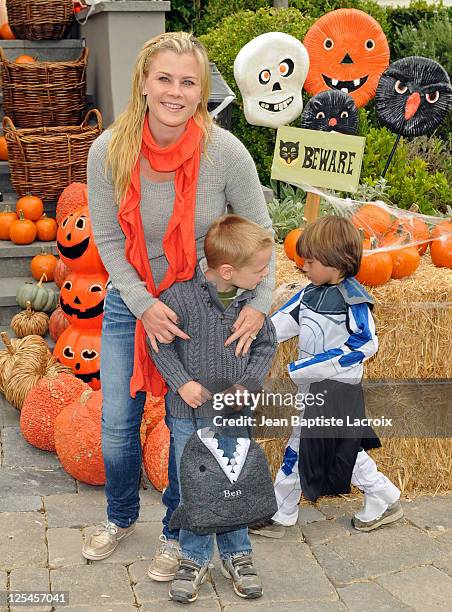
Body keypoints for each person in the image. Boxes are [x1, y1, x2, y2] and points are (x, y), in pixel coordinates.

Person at [81, 31, 276, 576]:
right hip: (133, 301)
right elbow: (108, 239)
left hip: (199, 309)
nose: (175, 91)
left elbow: (261, 233)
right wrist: (143, 303)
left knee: (185, 421)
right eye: (164, 78)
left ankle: (176, 532)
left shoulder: (224, 152)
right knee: (119, 419)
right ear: (144, 82)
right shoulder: (108, 151)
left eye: (188, 81)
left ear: (201, 91)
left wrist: (259, 304)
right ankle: (119, 517)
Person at [150, 214, 277, 603]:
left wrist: (247, 384)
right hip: (188, 416)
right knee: (196, 485)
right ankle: (194, 557)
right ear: (227, 270)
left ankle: (238, 554)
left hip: (232, 415)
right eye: (259, 270)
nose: (265, 277)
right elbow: (161, 344)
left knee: (234, 482)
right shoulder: (179, 299)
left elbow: (265, 346)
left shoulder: (249, 307)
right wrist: (182, 383)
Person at [250, 216, 403, 537]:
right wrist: (249, 336)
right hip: (314, 391)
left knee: (304, 450)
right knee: (337, 450)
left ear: (336, 263)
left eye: (311, 261)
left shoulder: (354, 300)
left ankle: (282, 514)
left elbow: (364, 344)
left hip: (336, 392)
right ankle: (384, 497)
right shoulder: (309, 293)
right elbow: (279, 324)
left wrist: (305, 369)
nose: (303, 266)